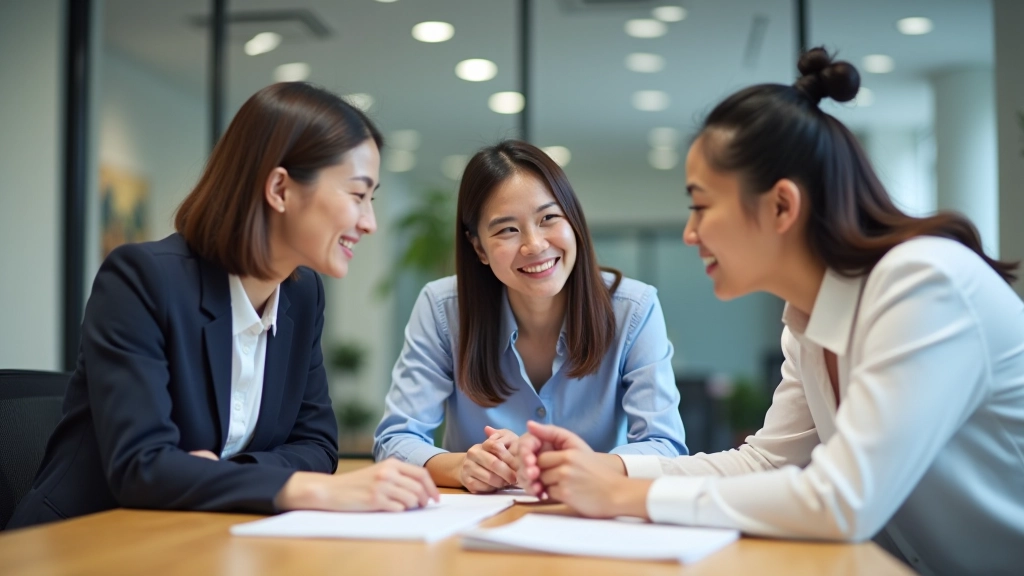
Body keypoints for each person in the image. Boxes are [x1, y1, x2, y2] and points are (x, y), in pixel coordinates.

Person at [516, 48, 1024, 575]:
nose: (691, 233)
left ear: (782, 205)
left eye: (701, 205)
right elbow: (764, 463)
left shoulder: (921, 284)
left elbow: (842, 500)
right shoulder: (808, 318)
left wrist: (624, 496)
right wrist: (609, 467)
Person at [8, 82, 437, 529]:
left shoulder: (302, 294)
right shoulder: (142, 280)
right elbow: (142, 467)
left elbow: (317, 445)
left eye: (373, 198)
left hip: (199, 535)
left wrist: (217, 475)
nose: (368, 222)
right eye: (356, 194)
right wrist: (305, 488)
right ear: (280, 188)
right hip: (80, 541)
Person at [373, 140, 687, 493]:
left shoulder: (634, 308)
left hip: (594, 521)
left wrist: (566, 464)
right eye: (508, 229)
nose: (534, 245)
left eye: (549, 218)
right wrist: (464, 466)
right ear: (479, 247)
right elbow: (395, 440)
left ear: (574, 222)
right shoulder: (443, 308)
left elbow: (665, 447)